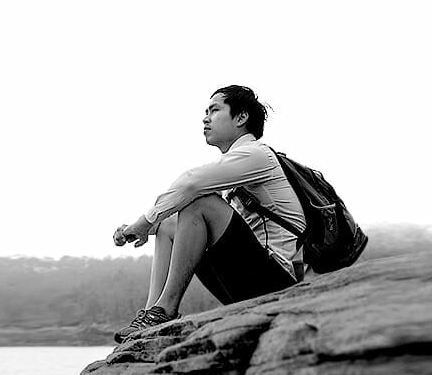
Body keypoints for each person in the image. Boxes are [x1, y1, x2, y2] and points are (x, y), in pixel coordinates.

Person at [109, 85, 307, 342]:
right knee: (169, 223)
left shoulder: (257, 155)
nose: (205, 118)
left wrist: (145, 222)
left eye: (214, 110)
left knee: (199, 203)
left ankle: (165, 310)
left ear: (241, 118)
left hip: (279, 282)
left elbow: (191, 183)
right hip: (253, 279)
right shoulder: (237, 169)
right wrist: (150, 227)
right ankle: (151, 314)